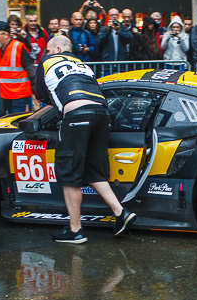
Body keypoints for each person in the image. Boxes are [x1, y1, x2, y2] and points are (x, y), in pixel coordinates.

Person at [33, 36, 136, 243]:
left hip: (76, 115)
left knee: (69, 173)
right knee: (94, 171)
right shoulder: (83, 65)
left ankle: (75, 230)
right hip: (102, 113)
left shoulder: (47, 61)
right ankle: (121, 212)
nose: (47, 53)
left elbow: (41, 94)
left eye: (48, 50)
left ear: (58, 48)